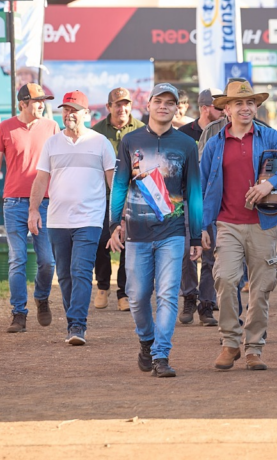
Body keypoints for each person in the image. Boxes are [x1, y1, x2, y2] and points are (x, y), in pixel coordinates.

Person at [200, 79, 277, 371]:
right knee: (225, 278)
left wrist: (271, 183)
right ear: (227, 109)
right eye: (238, 103)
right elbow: (202, 186)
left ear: (256, 107)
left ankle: (254, 348)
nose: (245, 108)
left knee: (260, 288)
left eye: (250, 103)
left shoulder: (270, 136)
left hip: (264, 223)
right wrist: (202, 226)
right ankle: (230, 342)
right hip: (227, 224)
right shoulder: (215, 144)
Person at [107, 83, 204, 377]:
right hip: (137, 233)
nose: (163, 106)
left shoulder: (187, 145)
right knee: (136, 296)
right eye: (158, 101)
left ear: (177, 108)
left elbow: (194, 192)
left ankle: (161, 355)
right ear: (148, 105)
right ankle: (147, 340)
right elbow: (120, 184)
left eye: (169, 102)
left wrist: (196, 235)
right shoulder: (131, 141)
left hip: (172, 233)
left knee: (167, 295)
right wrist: (114, 224)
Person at [28, 90, 115, 345]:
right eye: (65, 110)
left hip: (90, 219)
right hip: (57, 220)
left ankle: (77, 325)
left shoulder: (101, 142)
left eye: (74, 110)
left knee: (81, 271)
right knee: (64, 275)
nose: (69, 114)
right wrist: (33, 210)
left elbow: (113, 181)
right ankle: (73, 321)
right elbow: (41, 179)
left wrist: (120, 215)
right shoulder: (52, 143)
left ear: (86, 113)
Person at [0, 83, 59, 333]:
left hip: (44, 203)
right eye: (37, 101)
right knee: (17, 259)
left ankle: (42, 297)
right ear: (23, 103)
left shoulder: (52, 127)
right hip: (13, 203)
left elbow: (60, 164)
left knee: (47, 261)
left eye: (43, 101)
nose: (42, 105)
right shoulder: (5, 128)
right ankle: (18, 313)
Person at [90, 88, 144, 312]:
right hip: (103, 197)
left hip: (134, 197)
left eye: (126, 104)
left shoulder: (142, 130)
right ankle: (103, 286)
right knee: (101, 240)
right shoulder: (96, 133)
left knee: (129, 244)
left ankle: (124, 292)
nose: (122, 108)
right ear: (109, 107)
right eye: (117, 104)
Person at [177, 88, 222, 326]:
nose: (224, 110)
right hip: (187, 200)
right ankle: (189, 297)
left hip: (213, 201)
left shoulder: (225, 132)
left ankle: (206, 305)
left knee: (211, 254)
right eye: (219, 107)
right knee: (187, 251)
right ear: (205, 108)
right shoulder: (184, 134)